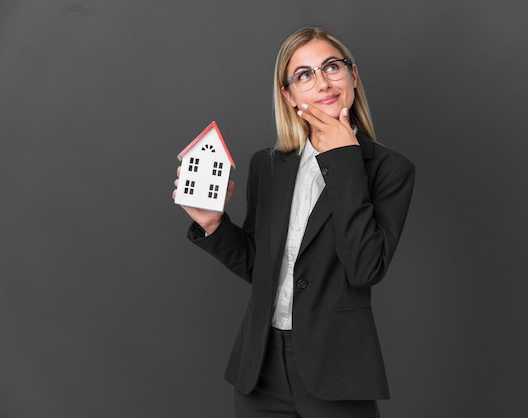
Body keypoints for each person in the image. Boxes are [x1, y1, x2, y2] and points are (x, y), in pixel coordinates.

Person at [173, 26, 415, 418]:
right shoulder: (268, 165)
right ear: (288, 95)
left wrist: (344, 160)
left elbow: (365, 267)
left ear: (353, 76)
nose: (322, 82)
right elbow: (261, 266)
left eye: (331, 67)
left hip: (336, 371)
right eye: (304, 74)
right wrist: (213, 226)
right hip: (260, 368)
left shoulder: (390, 170)